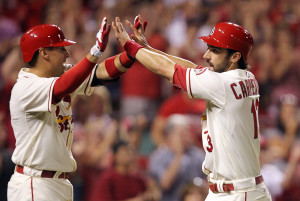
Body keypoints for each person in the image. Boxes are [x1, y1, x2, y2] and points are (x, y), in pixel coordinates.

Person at [112, 16, 272, 200]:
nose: (206, 56)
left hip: (236, 192)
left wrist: (131, 47)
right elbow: (194, 69)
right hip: (238, 189)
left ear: (235, 56)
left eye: (214, 51)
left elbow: (167, 70)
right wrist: (148, 49)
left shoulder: (222, 84)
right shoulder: (245, 77)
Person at [7, 17, 136, 201]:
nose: (67, 54)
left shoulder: (62, 76)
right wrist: (95, 51)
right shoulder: (25, 87)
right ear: (44, 53)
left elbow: (102, 73)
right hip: (35, 183)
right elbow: (61, 87)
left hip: (58, 183)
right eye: (61, 48)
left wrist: (132, 53)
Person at [148, 114, 205, 201]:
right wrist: (179, 153)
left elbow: (208, 180)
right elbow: (165, 184)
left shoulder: (197, 154)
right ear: (170, 135)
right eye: (181, 133)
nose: (186, 136)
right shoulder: (159, 156)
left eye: (187, 132)